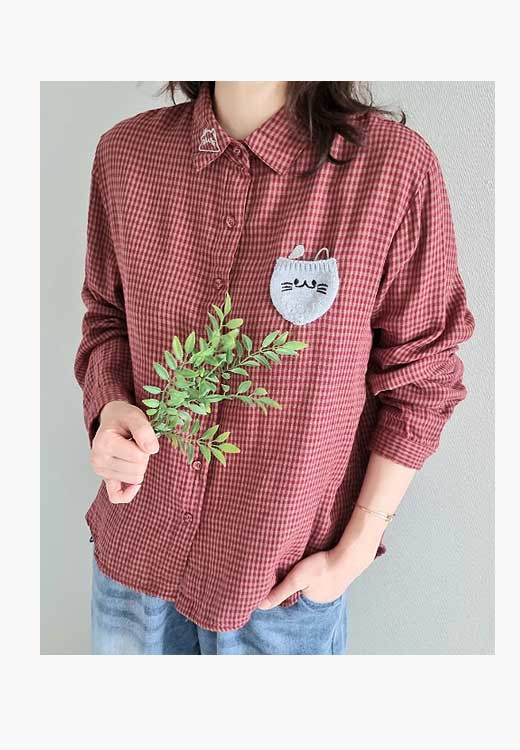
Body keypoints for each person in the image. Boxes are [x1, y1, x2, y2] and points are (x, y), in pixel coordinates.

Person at [74, 81, 475, 655]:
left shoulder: (391, 171)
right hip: (134, 560)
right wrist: (109, 406)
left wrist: (357, 547)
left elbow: (424, 374)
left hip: (279, 585)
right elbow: (107, 317)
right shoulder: (127, 155)